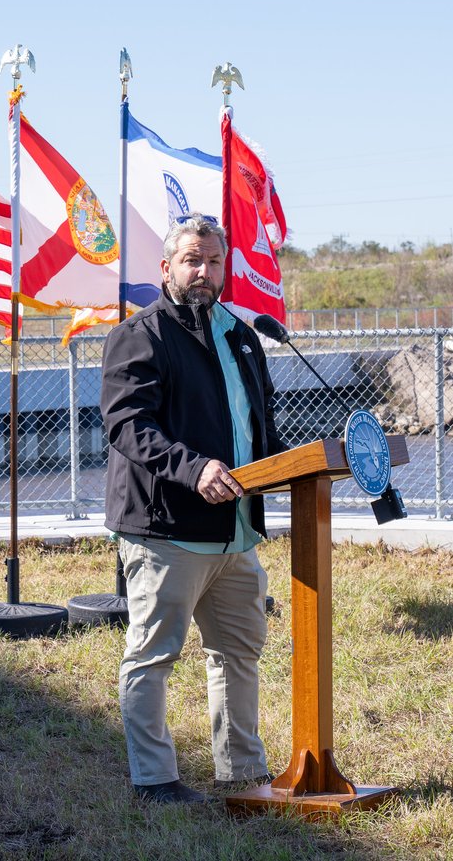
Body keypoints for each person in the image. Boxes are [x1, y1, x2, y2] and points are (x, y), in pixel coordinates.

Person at [100, 213, 286, 805]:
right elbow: (128, 425)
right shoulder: (140, 335)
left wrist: (296, 464)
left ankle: (242, 774)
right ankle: (154, 780)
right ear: (166, 268)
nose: (203, 272)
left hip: (235, 534)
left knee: (238, 653)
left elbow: (259, 426)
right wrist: (194, 468)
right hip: (168, 530)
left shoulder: (242, 333)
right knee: (153, 655)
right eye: (191, 260)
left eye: (212, 261)